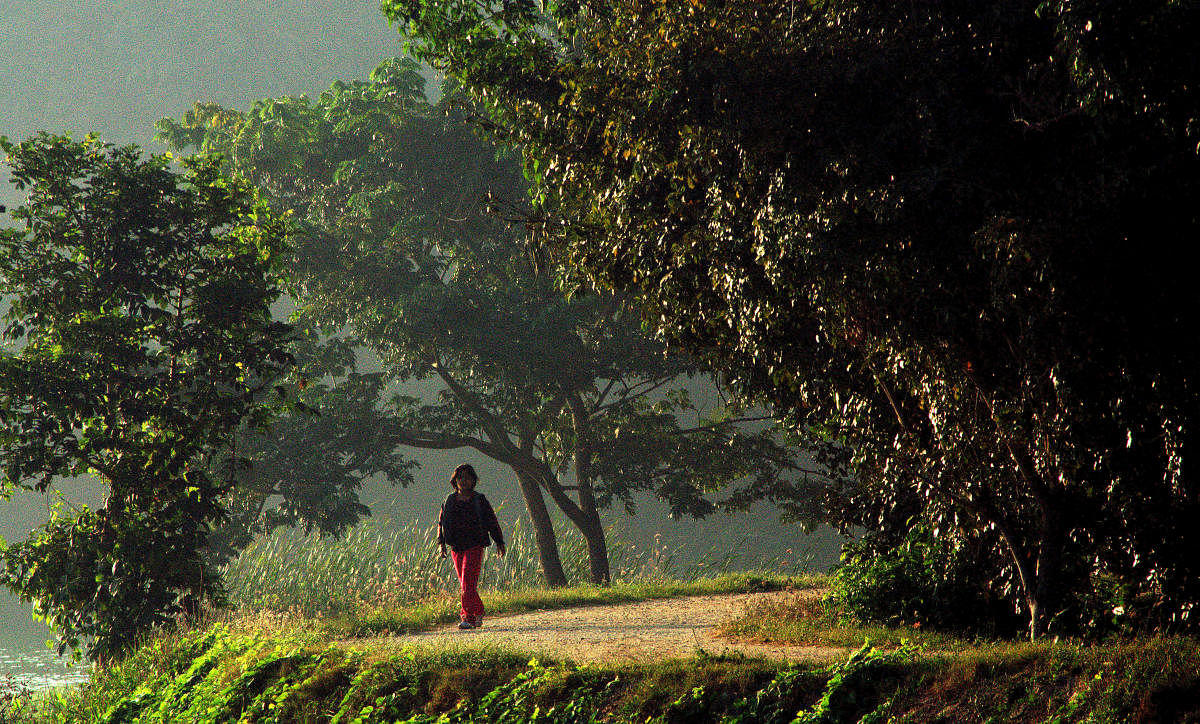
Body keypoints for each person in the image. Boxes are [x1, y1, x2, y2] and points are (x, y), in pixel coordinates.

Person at [437, 463, 506, 629]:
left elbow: (491, 521)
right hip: (456, 546)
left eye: (468, 478)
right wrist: (441, 544)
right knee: (465, 584)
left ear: (473, 480)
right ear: (455, 481)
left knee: (468, 582)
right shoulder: (449, 500)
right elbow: (441, 523)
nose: (464, 481)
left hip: (475, 545)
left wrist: (499, 542)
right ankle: (478, 611)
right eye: (461, 478)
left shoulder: (479, 500)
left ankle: (467, 616)